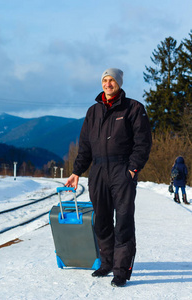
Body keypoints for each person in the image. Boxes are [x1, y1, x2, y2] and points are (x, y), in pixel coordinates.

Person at [65, 68, 152, 287]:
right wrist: (77, 171)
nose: (107, 83)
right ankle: (107, 263)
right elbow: (85, 146)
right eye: (104, 80)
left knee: (123, 221)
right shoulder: (93, 112)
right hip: (98, 172)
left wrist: (132, 169)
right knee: (102, 221)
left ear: (119, 83)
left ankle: (121, 271)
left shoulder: (133, 108)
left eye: (111, 80)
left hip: (122, 170)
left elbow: (143, 143)